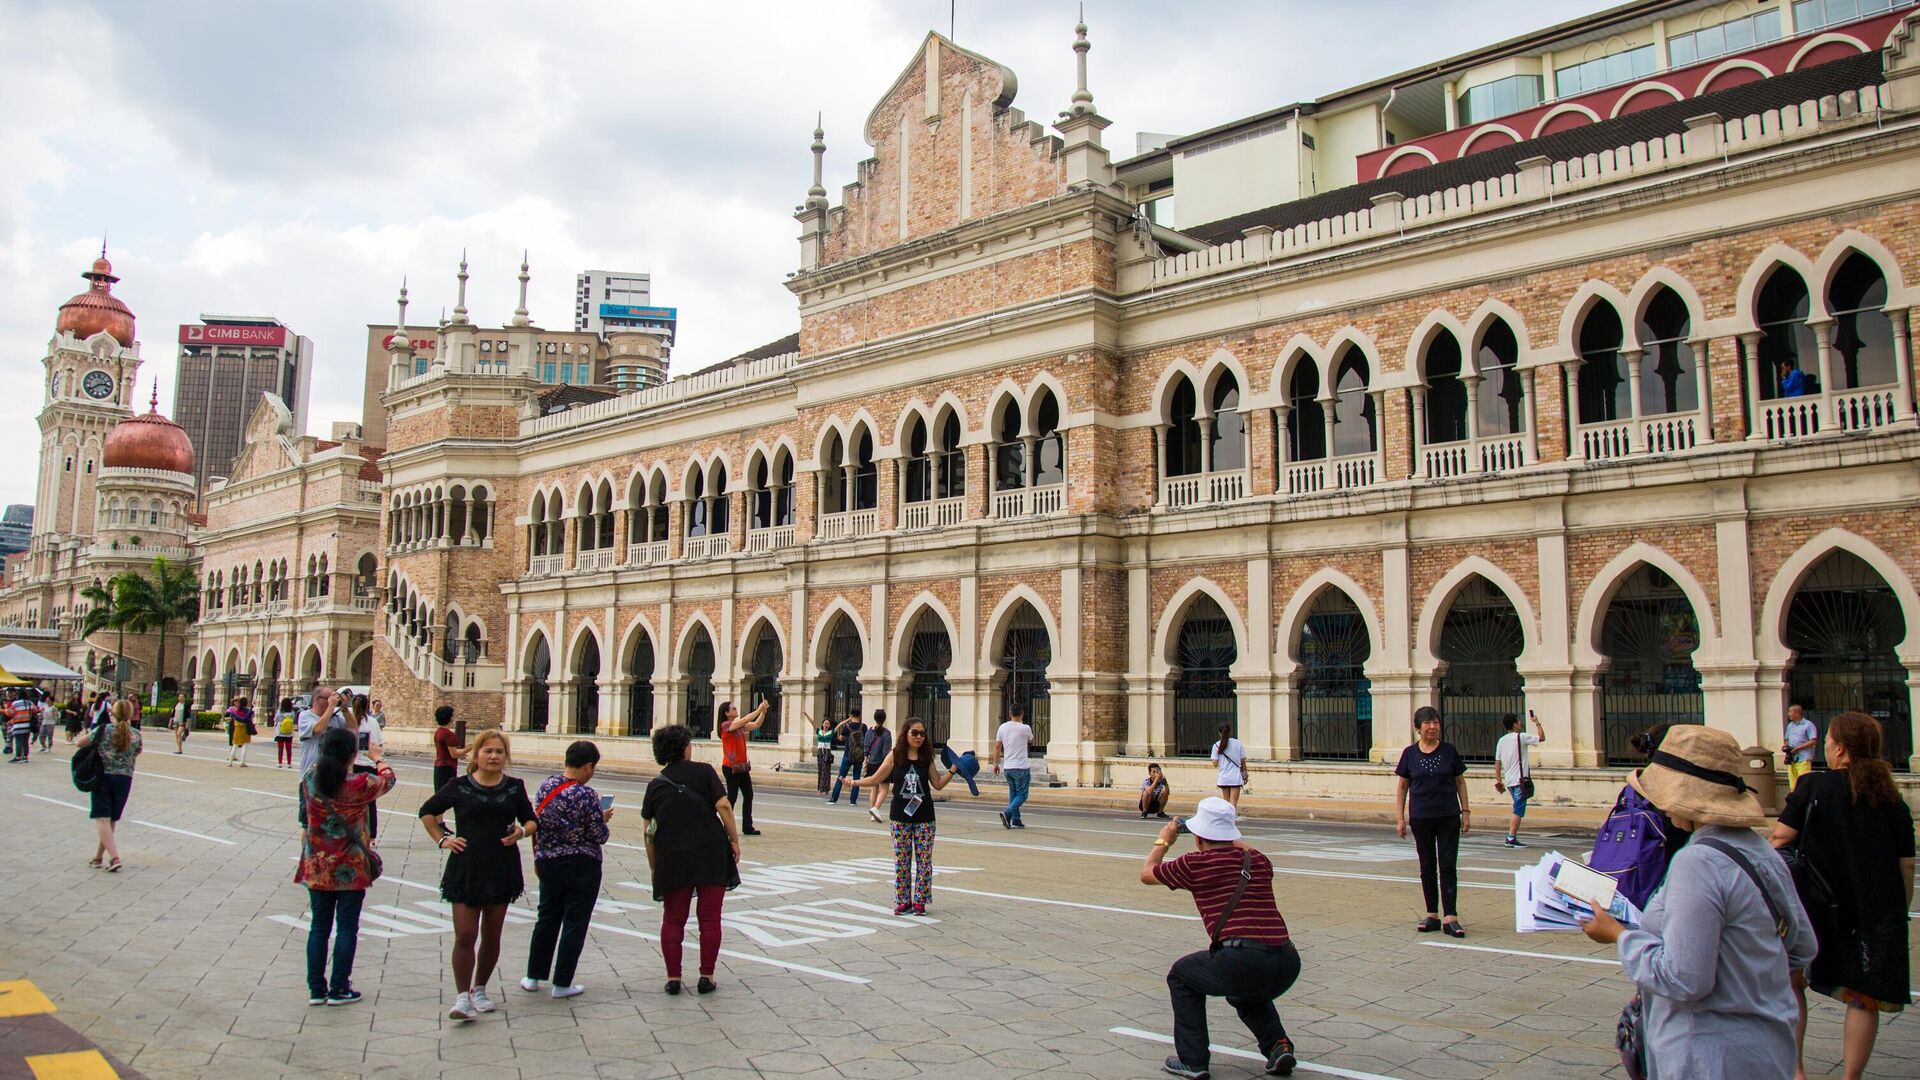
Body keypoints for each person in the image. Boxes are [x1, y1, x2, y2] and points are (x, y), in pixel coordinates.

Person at [1582, 724, 1816, 1080]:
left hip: (1708, 1054)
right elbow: (1801, 946)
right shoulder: (1760, 850)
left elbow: (1684, 979)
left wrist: (1618, 936)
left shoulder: (1698, 863)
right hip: (1769, 1045)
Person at [1770, 711, 1914, 1080]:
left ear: (1839, 748)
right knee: (1863, 996)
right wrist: (1898, 910)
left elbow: (1780, 839)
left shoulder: (1813, 787)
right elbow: (1906, 867)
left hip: (1811, 903)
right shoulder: (1892, 799)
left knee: (1792, 981)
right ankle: (1851, 1076)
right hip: (1871, 908)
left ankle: (1797, 1070)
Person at [1141, 797, 1300, 1079]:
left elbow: (1147, 873)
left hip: (1242, 958)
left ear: (1199, 838)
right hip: (1287, 961)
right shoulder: (1258, 861)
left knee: (1181, 975)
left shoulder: (1195, 864)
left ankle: (1193, 1060)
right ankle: (1278, 1046)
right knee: (1244, 989)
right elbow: (1246, 850)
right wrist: (1228, 837)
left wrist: (1164, 841)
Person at [417, 730, 537, 1022]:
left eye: (499, 752)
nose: (494, 756)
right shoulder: (459, 786)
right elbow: (427, 812)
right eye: (488, 751)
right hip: (467, 865)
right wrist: (443, 839)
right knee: (466, 933)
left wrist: (521, 832)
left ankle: (480, 989)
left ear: (505, 756)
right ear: (477, 755)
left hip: (501, 865)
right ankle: (462, 997)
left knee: (492, 935)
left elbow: (531, 819)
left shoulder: (514, 787)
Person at [297, 726, 396, 1006]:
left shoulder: (310, 780)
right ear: (352, 754)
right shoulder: (359, 784)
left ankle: (316, 989)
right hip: (350, 867)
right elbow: (389, 780)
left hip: (317, 865)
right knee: (347, 928)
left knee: (319, 927)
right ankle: (340, 987)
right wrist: (377, 757)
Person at [641, 724, 741, 995]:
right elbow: (724, 806)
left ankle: (673, 978)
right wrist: (734, 839)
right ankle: (706, 976)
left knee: (673, 918)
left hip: (673, 856)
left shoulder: (656, 784)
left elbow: (649, 832)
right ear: (685, 747)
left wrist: (654, 866)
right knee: (709, 918)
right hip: (710, 852)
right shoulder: (704, 772)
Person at [522, 740, 613, 999]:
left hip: (548, 861)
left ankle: (533, 975)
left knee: (547, 917)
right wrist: (602, 818)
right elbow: (599, 835)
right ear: (587, 766)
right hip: (581, 864)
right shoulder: (586, 795)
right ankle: (562, 982)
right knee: (574, 921)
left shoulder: (546, 786)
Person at [843, 717, 960, 916]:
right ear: (905, 733)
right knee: (902, 861)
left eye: (922, 733)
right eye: (914, 732)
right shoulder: (895, 756)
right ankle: (903, 901)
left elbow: (938, 784)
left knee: (924, 861)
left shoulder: (926, 758)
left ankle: (920, 902)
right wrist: (854, 783)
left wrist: (953, 770)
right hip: (900, 817)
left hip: (924, 818)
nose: (919, 737)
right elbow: (876, 778)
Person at [1394, 705, 1469, 938]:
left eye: (1435, 722)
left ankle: (1451, 916)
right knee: (1427, 867)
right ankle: (1432, 914)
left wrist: (1465, 811)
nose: (1433, 726)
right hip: (1421, 817)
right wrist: (1400, 818)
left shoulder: (1449, 751)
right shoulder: (1409, 754)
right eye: (1427, 723)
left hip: (1447, 816)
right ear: (1418, 728)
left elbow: (1460, 782)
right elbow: (1403, 786)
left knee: (1447, 865)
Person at [76, 699, 142, 871]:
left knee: (102, 818)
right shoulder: (136, 734)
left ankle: (114, 858)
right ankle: (98, 857)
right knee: (111, 818)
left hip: (104, 778)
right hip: (125, 780)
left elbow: (79, 743)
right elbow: (138, 751)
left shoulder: (104, 730)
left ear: (112, 713)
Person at [717, 700, 769, 836]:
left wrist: (763, 712)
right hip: (730, 767)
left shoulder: (738, 727)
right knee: (732, 797)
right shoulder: (726, 725)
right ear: (727, 713)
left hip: (742, 767)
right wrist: (759, 709)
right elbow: (745, 719)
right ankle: (725, 827)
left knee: (748, 795)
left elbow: (756, 724)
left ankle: (747, 826)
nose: (735, 710)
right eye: (733, 708)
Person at [1493, 711, 1544, 848]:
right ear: (1515, 724)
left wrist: (1498, 779)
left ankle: (1511, 837)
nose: (1520, 723)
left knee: (1518, 808)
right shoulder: (1521, 737)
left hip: (1510, 781)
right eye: (1519, 721)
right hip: (1520, 781)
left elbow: (1497, 762)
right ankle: (1511, 837)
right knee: (1518, 810)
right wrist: (1537, 722)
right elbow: (1541, 738)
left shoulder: (1501, 741)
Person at [992, 702, 1034, 830]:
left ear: (1010, 714)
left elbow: (997, 746)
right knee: (1022, 795)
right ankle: (1008, 812)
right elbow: (1031, 740)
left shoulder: (1002, 728)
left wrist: (996, 763)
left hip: (1008, 767)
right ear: (1022, 714)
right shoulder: (1026, 728)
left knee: (1013, 793)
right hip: (1021, 767)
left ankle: (1016, 819)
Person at [297, 689, 342, 776]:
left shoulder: (335, 717)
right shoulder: (305, 715)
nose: (332, 701)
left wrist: (344, 708)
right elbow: (319, 729)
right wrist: (331, 707)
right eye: (329, 699)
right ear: (317, 699)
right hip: (311, 774)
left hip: (331, 774)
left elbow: (353, 729)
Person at [827, 707, 866, 803]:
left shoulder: (847, 727)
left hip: (848, 754)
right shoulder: (863, 727)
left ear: (851, 715)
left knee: (841, 776)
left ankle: (834, 798)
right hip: (859, 755)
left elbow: (840, 738)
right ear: (860, 716)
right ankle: (853, 800)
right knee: (856, 778)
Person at [862, 711, 893, 823]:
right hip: (882, 763)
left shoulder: (869, 731)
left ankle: (872, 811)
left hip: (871, 762)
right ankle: (875, 808)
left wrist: (866, 760)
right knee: (884, 789)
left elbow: (866, 747)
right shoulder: (887, 733)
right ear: (884, 719)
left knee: (873, 788)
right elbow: (886, 752)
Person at [1782, 704, 1819, 791]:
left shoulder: (1808, 725)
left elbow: (1813, 741)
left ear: (1797, 713)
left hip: (1803, 758)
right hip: (1791, 759)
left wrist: (1798, 748)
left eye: (1790, 712)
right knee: (1793, 784)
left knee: (1804, 783)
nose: (1788, 714)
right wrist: (1785, 746)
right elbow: (1787, 739)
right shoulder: (1790, 725)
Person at [1209, 724, 1246, 807]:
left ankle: (1226, 818)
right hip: (1235, 777)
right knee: (1233, 803)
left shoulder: (1216, 745)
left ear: (1219, 733)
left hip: (1223, 777)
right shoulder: (1238, 743)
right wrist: (1245, 774)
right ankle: (1231, 819)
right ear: (1230, 732)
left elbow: (1215, 764)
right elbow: (1242, 761)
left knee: (1226, 803)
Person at [432, 705, 464, 792]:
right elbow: (454, 754)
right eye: (452, 715)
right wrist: (470, 748)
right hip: (447, 768)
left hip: (439, 767)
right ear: (449, 717)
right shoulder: (448, 734)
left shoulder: (438, 732)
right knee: (448, 795)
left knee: (439, 795)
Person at [224, 696, 254, 767]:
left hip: (237, 729)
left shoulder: (234, 711)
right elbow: (250, 720)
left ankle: (230, 762)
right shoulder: (248, 711)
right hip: (245, 729)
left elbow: (228, 718)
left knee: (235, 745)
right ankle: (242, 762)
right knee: (245, 746)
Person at [6, 690, 34, 762]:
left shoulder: (15, 703)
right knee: (25, 741)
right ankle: (25, 757)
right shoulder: (29, 703)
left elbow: (10, 713)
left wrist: (7, 708)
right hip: (27, 725)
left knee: (18, 741)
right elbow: (36, 710)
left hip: (18, 725)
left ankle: (18, 757)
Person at [811, 713, 834, 793]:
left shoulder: (831, 732)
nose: (826, 725)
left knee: (826, 770)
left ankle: (826, 789)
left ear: (830, 725)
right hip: (820, 751)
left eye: (828, 723)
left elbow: (840, 725)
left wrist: (848, 719)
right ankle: (819, 788)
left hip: (827, 752)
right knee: (820, 769)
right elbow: (812, 723)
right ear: (822, 724)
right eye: (825, 723)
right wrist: (806, 715)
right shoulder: (819, 732)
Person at [274, 698, 297, 768]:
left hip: (280, 731)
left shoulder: (280, 712)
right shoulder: (292, 712)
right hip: (289, 732)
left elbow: (275, 719)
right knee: (289, 749)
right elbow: (293, 720)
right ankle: (289, 763)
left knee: (280, 748)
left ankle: (280, 763)